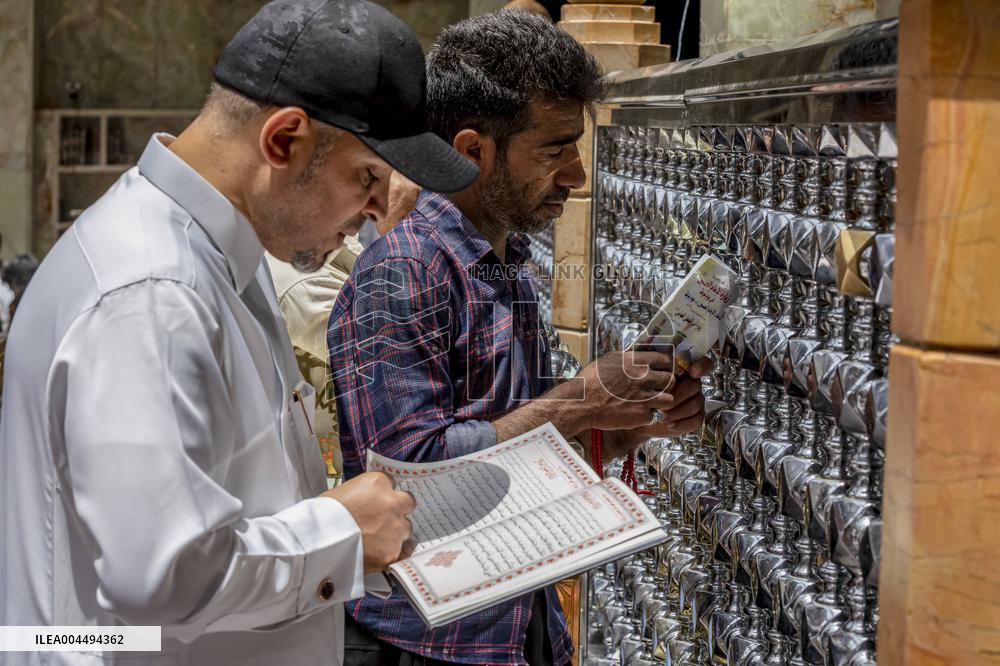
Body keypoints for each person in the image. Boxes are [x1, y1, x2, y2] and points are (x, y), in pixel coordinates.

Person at [0, 1, 478, 665]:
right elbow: (160, 576)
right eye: (367, 177)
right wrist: (342, 531)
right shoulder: (151, 293)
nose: (377, 209)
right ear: (283, 141)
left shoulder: (216, 252)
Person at [328, 11, 710, 666]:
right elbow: (407, 487)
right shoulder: (402, 274)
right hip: (426, 645)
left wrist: (625, 428)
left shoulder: (506, 264)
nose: (577, 175)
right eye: (555, 150)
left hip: (515, 629)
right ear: (472, 150)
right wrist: (580, 401)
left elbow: (518, 460)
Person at [265, 171, 420, 480]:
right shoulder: (303, 278)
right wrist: (401, 234)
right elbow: (391, 354)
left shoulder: (332, 240)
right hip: (342, 474)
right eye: (364, 176)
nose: (373, 199)